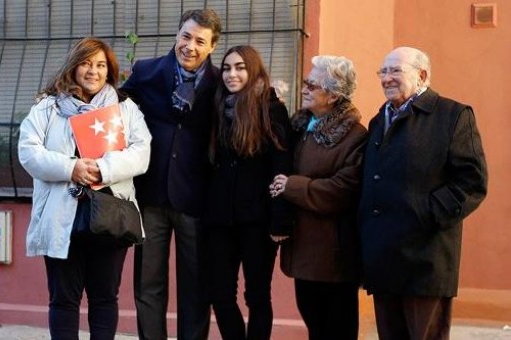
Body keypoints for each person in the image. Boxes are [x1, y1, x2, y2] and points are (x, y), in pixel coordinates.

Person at [18, 37, 152, 340]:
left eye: (101, 65)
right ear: (74, 65)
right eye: (87, 63)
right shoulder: (47, 107)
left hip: (110, 216)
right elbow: (28, 151)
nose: (94, 71)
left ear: (109, 70)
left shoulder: (125, 107)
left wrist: (103, 168)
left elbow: (142, 152)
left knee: (105, 298)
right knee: (64, 299)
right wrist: (71, 167)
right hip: (61, 216)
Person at [358, 46, 487, 340]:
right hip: (385, 257)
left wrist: (424, 213)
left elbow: (472, 181)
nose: (387, 78)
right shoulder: (380, 121)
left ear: (422, 76)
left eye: (395, 71)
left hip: (426, 260)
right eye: (383, 71)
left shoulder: (452, 115)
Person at [120, 8, 222, 340]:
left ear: (212, 47)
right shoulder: (147, 71)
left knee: (195, 286)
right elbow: (113, 108)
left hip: (197, 198)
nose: (190, 46)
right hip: (150, 195)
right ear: (177, 35)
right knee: (148, 285)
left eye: (200, 41)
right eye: (186, 36)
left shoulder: (221, 83)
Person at [269, 55, 367, 340]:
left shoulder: (354, 135)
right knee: (315, 324)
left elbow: (344, 189)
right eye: (305, 82)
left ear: (334, 94)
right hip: (304, 249)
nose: (304, 89)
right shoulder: (300, 127)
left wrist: (293, 186)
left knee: (337, 329)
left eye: (312, 84)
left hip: (334, 256)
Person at [206, 45, 292, 340]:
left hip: (258, 220)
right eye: (227, 68)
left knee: (256, 296)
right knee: (220, 294)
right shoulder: (217, 107)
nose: (232, 74)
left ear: (254, 70)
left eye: (240, 67)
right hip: (220, 220)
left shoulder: (272, 109)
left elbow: (281, 166)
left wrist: (280, 219)